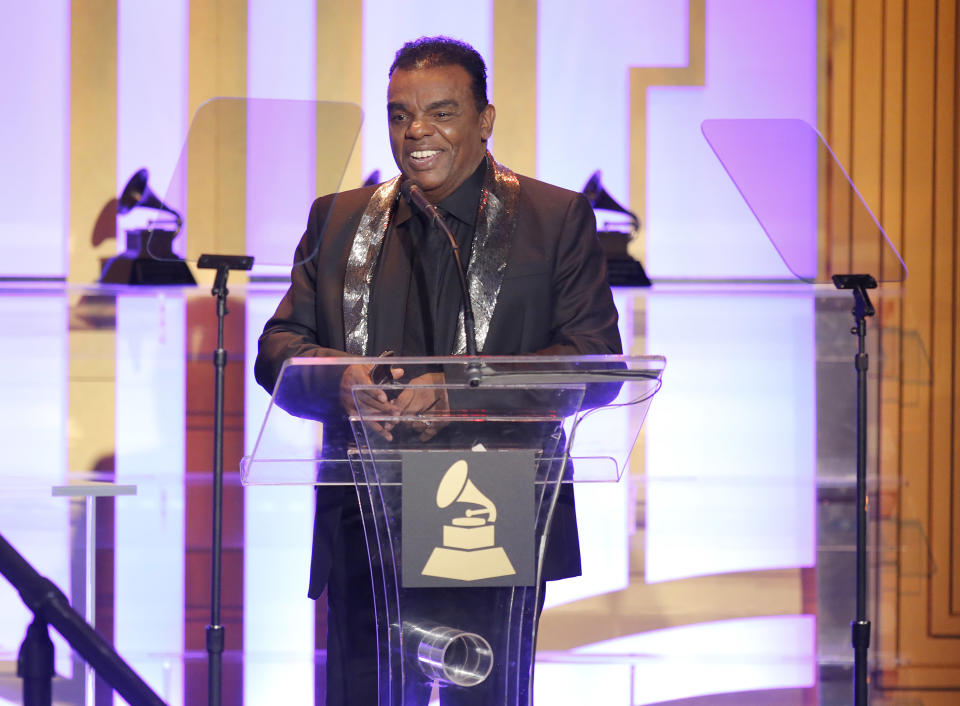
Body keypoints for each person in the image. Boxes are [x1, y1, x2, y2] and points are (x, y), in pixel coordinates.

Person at [254, 36, 621, 705]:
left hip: (487, 510)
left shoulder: (552, 218)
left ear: (485, 120)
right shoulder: (339, 221)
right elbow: (278, 346)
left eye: (441, 112)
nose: (416, 130)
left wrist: (456, 388)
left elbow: (596, 364)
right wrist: (340, 379)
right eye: (399, 115)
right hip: (364, 514)